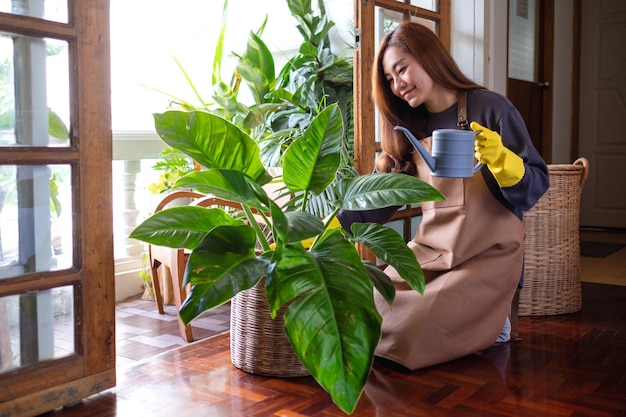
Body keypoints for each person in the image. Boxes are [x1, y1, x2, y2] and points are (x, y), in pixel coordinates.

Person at [338, 21, 549, 371]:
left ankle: (495, 323)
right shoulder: (410, 129)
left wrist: (502, 160)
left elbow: (535, 188)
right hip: (429, 258)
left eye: (401, 69)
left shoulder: (491, 109)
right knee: (366, 312)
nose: (397, 84)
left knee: (408, 333)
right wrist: (329, 220)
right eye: (390, 79)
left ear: (429, 57)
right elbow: (378, 208)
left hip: (486, 260)